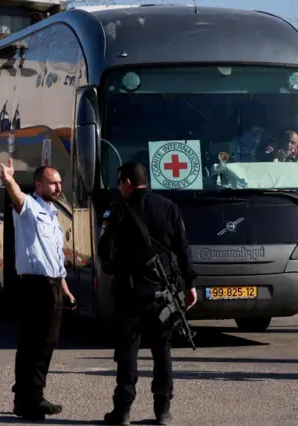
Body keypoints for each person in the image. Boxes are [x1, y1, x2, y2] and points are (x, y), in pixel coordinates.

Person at [98, 161, 198, 425]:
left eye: (121, 182)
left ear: (129, 182)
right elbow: (183, 249)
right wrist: (189, 284)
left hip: (129, 292)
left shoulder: (119, 210)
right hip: (163, 293)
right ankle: (162, 410)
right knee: (162, 349)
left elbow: (104, 252)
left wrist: (117, 269)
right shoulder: (169, 207)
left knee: (128, 350)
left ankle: (123, 410)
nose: (120, 187)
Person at [0, 158, 77, 421]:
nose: (58, 188)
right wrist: (9, 180)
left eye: (59, 183)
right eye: (53, 183)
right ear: (39, 184)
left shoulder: (52, 214)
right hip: (37, 286)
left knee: (42, 342)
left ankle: (26, 398)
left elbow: (54, 259)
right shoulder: (29, 207)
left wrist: (65, 288)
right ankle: (33, 397)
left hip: (52, 285)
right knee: (38, 343)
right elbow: (18, 199)